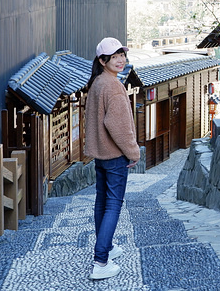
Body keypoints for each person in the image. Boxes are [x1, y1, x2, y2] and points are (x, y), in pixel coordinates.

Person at [84, 37, 141, 280]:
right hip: (115, 155)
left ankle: (105, 248)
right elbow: (117, 126)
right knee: (113, 205)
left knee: (102, 203)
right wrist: (133, 151)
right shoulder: (113, 86)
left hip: (100, 155)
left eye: (122, 55)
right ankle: (100, 261)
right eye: (114, 57)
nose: (120, 60)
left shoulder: (97, 82)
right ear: (102, 60)